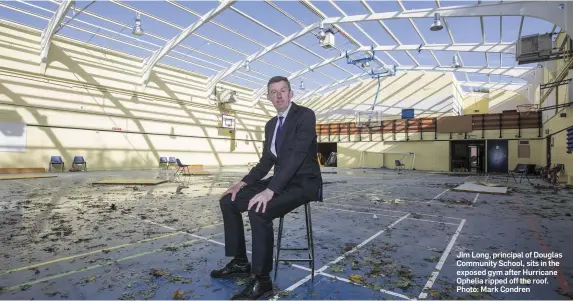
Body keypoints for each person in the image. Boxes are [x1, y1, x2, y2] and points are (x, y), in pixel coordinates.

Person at [210, 76, 323, 300]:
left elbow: (297, 156)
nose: (279, 95)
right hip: (281, 179)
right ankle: (241, 262)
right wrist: (242, 183)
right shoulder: (271, 125)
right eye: (273, 92)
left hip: (303, 182)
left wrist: (271, 190)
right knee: (228, 201)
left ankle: (262, 281)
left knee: (259, 210)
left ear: (291, 94)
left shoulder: (305, 115)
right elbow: (266, 162)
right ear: (269, 97)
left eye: (283, 91)